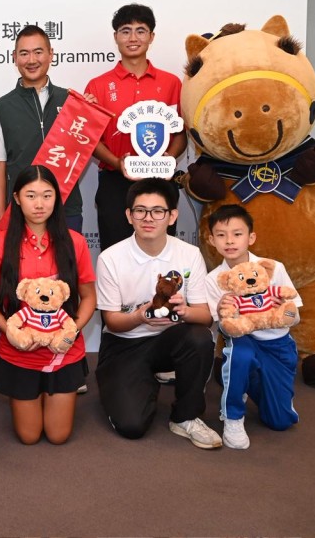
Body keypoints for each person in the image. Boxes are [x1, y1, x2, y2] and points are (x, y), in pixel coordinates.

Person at [94, 177, 221, 449]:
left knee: (199, 338)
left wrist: (184, 311)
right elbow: (112, 322)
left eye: (158, 211)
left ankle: (185, 417)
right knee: (132, 426)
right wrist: (140, 316)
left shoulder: (189, 254)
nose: (148, 218)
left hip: (170, 338)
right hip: (124, 343)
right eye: (140, 210)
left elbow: (205, 317)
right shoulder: (110, 258)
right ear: (129, 216)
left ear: (172, 215)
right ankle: (140, 382)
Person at [0, 166, 95, 444]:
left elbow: (89, 297)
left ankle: (54, 389)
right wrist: (10, 330)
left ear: (57, 198)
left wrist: (71, 332)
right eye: (31, 195)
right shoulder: (2, 243)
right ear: (17, 198)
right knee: (29, 436)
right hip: (20, 351)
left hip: (62, 350)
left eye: (47, 195)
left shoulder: (75, 242)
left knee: (58, 436)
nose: (40, 203)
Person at [85, 4, 186, 251]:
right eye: (125, 31)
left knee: (161, 253)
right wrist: (117, 162)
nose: (133, 38)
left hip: (160, 181)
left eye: (141, 31)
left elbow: (181, 134)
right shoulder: (98, 86)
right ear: (115, 37)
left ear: (151, 37)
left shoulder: (171, 83)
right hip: (115, 182)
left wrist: (166, 161)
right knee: (115, 252)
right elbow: (91, 139)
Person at [204, 204, 301, 450]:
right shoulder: (215, 279)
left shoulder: (272, 268)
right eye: (221, 235)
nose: (229, 241)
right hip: (244, 340)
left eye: (237, 234)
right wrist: (221, 310)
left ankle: (250, 383)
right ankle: (233, 416)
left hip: (278, 344)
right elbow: (225, 328)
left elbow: (296, 315)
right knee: (241, 354)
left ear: (251, 237)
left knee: (279, 421)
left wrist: (283, 310)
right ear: (211, 240)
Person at [0, 25, 84, 233]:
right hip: (21, 213)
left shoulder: (71, 102)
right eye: (24, 53)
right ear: (14, 57)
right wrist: (3, 217)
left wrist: (89, 114)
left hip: (67, 209)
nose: (31, 60)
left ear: (51, 54)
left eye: (38, 52)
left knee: (67, 266)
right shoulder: (1, 107)